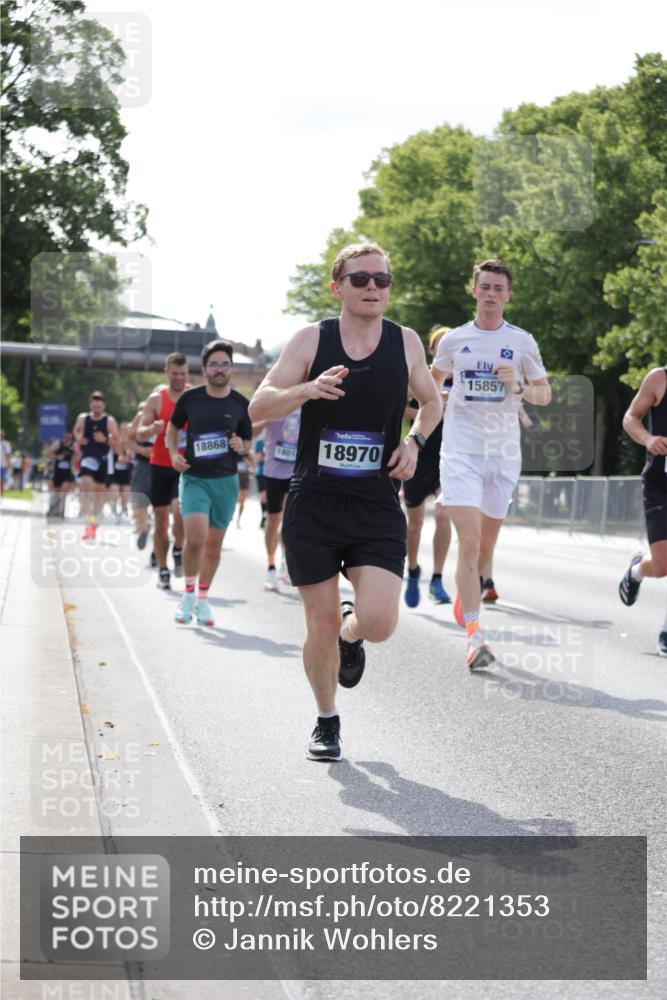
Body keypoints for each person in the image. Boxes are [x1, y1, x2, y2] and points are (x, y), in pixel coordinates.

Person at [248, 242, 442, 761]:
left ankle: (351, 636)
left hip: (375, 502)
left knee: (379, 623)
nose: (373, 287)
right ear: (338, 287)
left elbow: (431, 402)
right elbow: (258, 406)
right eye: (361, 279)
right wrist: (306, 390)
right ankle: (326, 720)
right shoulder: (312, 339)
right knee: (319, 621)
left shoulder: (405, 342)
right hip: (313, 503)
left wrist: (413, 442)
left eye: (382, 279)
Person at [431, 259, 551, 671]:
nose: (491, 294)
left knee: (484, 549)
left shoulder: (521, 342)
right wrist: (437, 400)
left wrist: (516, 385)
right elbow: (433, 381)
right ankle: (475, 635)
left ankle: (466, 599)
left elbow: (544, 395)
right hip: (460, 452)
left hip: (502, 455)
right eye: (485, 287)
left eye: (499, 288)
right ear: (474, 291)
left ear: (508, 295)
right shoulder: (455, 340)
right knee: (468, 541)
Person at [167, 339, 252, 627]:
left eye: (224, 364)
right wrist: (173, 454)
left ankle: (202, 599)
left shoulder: (241, 404)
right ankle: (188, 595)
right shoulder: (190, 399)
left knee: (214, 545)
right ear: (204, 369)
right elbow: (173, 428)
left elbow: (248, 441)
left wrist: (241, 446)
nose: (219, 369)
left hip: (225, 482)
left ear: (231, 368)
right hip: (195, 478)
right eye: (214, 364)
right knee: (196, 538)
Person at [619, 366, 667, 656]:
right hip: (660, 486)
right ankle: (637, 570)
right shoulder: (660, 378)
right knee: (662, 566)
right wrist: (648, 439)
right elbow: (630, 417)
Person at [403, 326, 452, 607]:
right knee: (415, 525)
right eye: (441, 344)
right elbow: (399, 408)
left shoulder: (464, 379)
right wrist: (433, 409)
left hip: (450, 458)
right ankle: (412, 571)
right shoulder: (421, 377)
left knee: (444, 514)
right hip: (419, 455)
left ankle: (437, 578)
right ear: (432, 350)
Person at [138, 354, 190, 589]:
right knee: (161, 521)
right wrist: (152, 428)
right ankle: (163, 569)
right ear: (167, 372)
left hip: (183, 465)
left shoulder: (193, 396)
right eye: (174, 373)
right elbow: (139, 432)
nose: (179, 378)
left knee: (180, 512)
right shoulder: (156, 399)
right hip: (159, 465)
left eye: (183, 374)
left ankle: (178, 549)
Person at [255, 409, 301, 590]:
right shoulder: (275, 405)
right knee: (273, 521)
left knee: (291, 522)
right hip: (273, 473)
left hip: (295, 473)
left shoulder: (306, 404)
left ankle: (286, 562)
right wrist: (266, 420)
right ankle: (271, 567)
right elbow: (251, 432)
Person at [73, 391, 120, 539]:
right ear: (90, 405)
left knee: (99, 498)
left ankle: (93, 527)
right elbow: (76, 430)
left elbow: (117, 443)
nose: (96, 409)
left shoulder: (109, 421)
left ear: (103, 406)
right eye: (94, 407)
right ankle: (87, 526)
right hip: (88, 458)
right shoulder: (83, 418)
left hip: (104, 461)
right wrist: (79, 438)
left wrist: (105, 440)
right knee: (86, 490)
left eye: (99, 407)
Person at [126, 400, 154, 553]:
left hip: (164, 465)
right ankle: (144, 528)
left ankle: (156, 528)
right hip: (143, 464)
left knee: (163, 505)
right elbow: (128, 441)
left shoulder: (171, 414)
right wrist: (142, 451)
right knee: (139, 499)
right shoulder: (140, 417)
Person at [47, 431, 76, 517]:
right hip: (57, 471)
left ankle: (61, 511)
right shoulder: (58, 443)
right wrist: (57, 457)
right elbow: (49, 453)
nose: (68, 436)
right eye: (66, 434)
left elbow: (77, 456)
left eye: (70, 435)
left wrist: (74, 461)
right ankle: (54, 509)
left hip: (67, 472)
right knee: (56, 491)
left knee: (64, 491)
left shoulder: (73, 445)